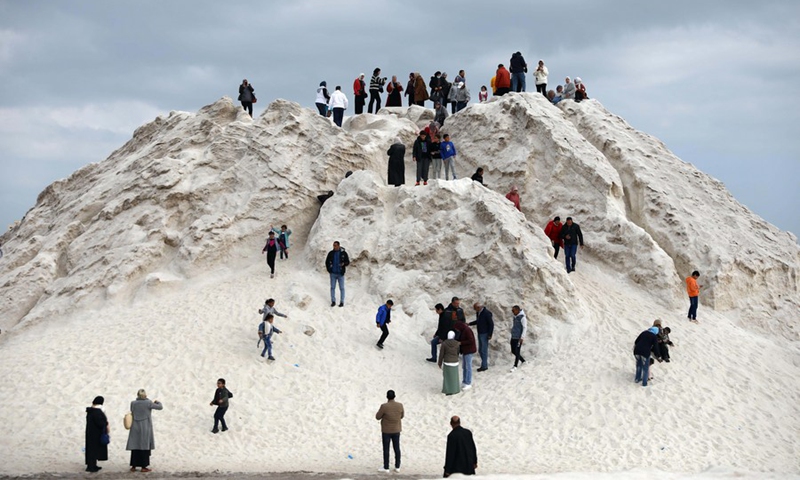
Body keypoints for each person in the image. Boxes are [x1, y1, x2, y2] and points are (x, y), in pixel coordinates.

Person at [126, 389, 162, 473]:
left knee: (135, 446)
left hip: (135, 426)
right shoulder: (148, 403)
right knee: (144, 447)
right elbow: (160, 407)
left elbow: (132, 411)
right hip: (145, 426)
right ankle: (143, 466)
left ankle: (133, 466)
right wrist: (157, 402)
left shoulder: (133, 403)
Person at [375, 389, 404, 473]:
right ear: (394, 396)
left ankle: (386, 467)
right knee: (397, 448)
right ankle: (397, 466)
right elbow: (402, 416)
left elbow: (377, 417)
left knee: (386, 449)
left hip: (386, 430)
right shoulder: (400, 405)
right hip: (396, 429)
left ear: (387, 397)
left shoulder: (384, 406)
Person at [85, 395, 108, 473]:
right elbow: (100, 423)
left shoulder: (90, 411)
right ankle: (91, 466)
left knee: (91, 449)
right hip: (96, 433)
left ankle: (92, 465)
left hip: (90, 432)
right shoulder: (97, 412)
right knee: (94, 450)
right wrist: (105, 423)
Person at [469, 303, 494, 371]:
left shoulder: (486, 313)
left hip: (485, 333)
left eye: (475, 309)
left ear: (478, 307)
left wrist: (490, 334)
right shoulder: (479, 313)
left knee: (483, 350)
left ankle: (484, 366)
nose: (475, 310)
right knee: (480, 350)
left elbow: (491, 324)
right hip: (480, 333)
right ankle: (484, 364)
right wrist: (470, 324)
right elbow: (478, 321)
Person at [454, 317, 476, 389]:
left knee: (468, 367)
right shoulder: (463, 330)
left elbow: (471, 340)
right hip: (465, 351)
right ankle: (464, 381)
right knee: (464, 366)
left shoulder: (467, 330)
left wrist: (461, 343)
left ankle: (468, 382)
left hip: (469, 350)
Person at [325, 241, 350, 307]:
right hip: (333, 273)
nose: (334, 247)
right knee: (332, 287)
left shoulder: (343, 253)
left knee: (342, 288)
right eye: (333, 245)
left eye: (335, 245)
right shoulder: (331, 253)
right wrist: (329, 270)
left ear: (339, 246)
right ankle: (333, 301)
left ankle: (342, 302)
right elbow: (327, 262)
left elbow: (347, 262)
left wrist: (343, 264)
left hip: (340, 274)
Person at [438, 331, 461, 395]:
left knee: (447, 377)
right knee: (454, 377)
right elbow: (457, 352)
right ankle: (455, 389)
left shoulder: (444, 343)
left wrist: (439, 363)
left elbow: (441, 354)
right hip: (455, 362)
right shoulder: (457, 343)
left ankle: (448, 390)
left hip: (447, 362)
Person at [509, 305, 527, 372]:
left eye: (513, 311)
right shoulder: (515, 317)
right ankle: (523, 360)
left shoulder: (522, 318)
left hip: (518, 337)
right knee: (513, 351)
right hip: (513, 336)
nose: (512, 312)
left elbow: (525, 328)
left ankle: (515, 365)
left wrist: (522, 337)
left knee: (517, 351)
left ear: (517, 310)